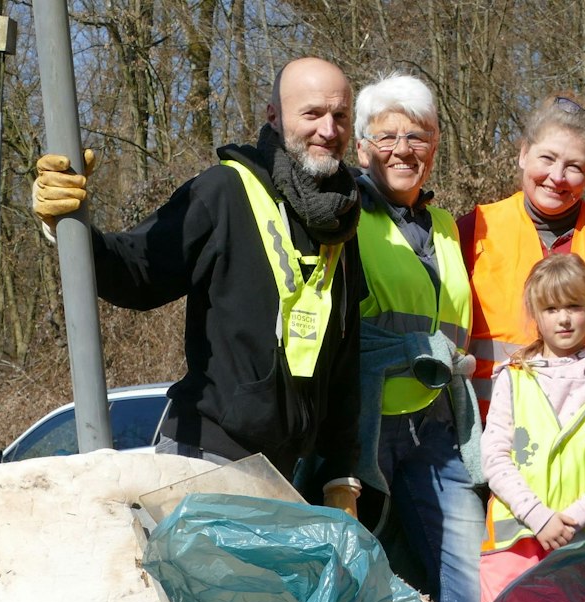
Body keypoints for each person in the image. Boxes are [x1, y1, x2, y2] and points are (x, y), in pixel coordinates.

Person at [30, 57, 365, 515]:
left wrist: (339, 477)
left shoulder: (343, 222)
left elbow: (344, 366)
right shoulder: (223, 190)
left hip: (283, 476)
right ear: (274, 116)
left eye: (340, 115)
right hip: (206, 461)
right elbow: (138, 273)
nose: (329, 128)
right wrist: (68, 228)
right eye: (312, 113)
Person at [460, 95, 585, 537]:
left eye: (573, 166)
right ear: (522, 153)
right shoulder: (471, 233)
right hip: (491, 465)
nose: (557, 176)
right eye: (546, 158)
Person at [348, 73, 483, 602]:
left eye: (419, 136)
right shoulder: (343, 215)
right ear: (362, 147)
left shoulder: (446, 225)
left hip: (436, 426)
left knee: (470, 587)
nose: (404, 149)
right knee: (361, 582)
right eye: (388, 136)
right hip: (367, 424)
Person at [479, 255, 585, 602]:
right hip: (514, 546)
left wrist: (572, 520)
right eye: (551, 308)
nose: (564, 318)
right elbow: (494, 458)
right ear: (535, 314)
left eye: (574, 305)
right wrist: (539, 518)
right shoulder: (513, 377)